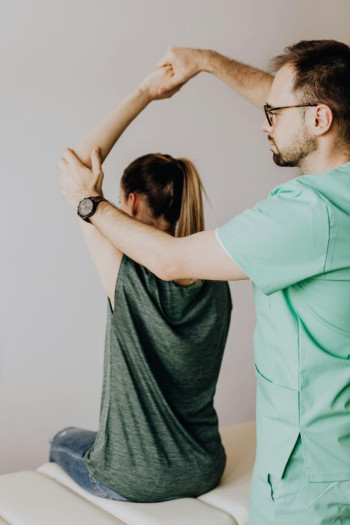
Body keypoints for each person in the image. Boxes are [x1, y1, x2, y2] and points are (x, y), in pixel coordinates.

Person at [59, 40, 350, 523]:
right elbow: (314, 101)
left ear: (319, 120)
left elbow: (167, 258)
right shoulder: (218, 283)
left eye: (273, 113)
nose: (264, 121)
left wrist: (88, 203)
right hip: (219, 464)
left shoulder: (306, 213)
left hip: (307, 483)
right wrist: (207, 63)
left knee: (64, 442)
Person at [53, 66, 232, 503]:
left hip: (133, 479)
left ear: (129, 201)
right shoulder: (217, 276)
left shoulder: (125, 272)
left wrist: (145, 92)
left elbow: (72, 165)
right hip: (205, 467)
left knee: (62, 438)